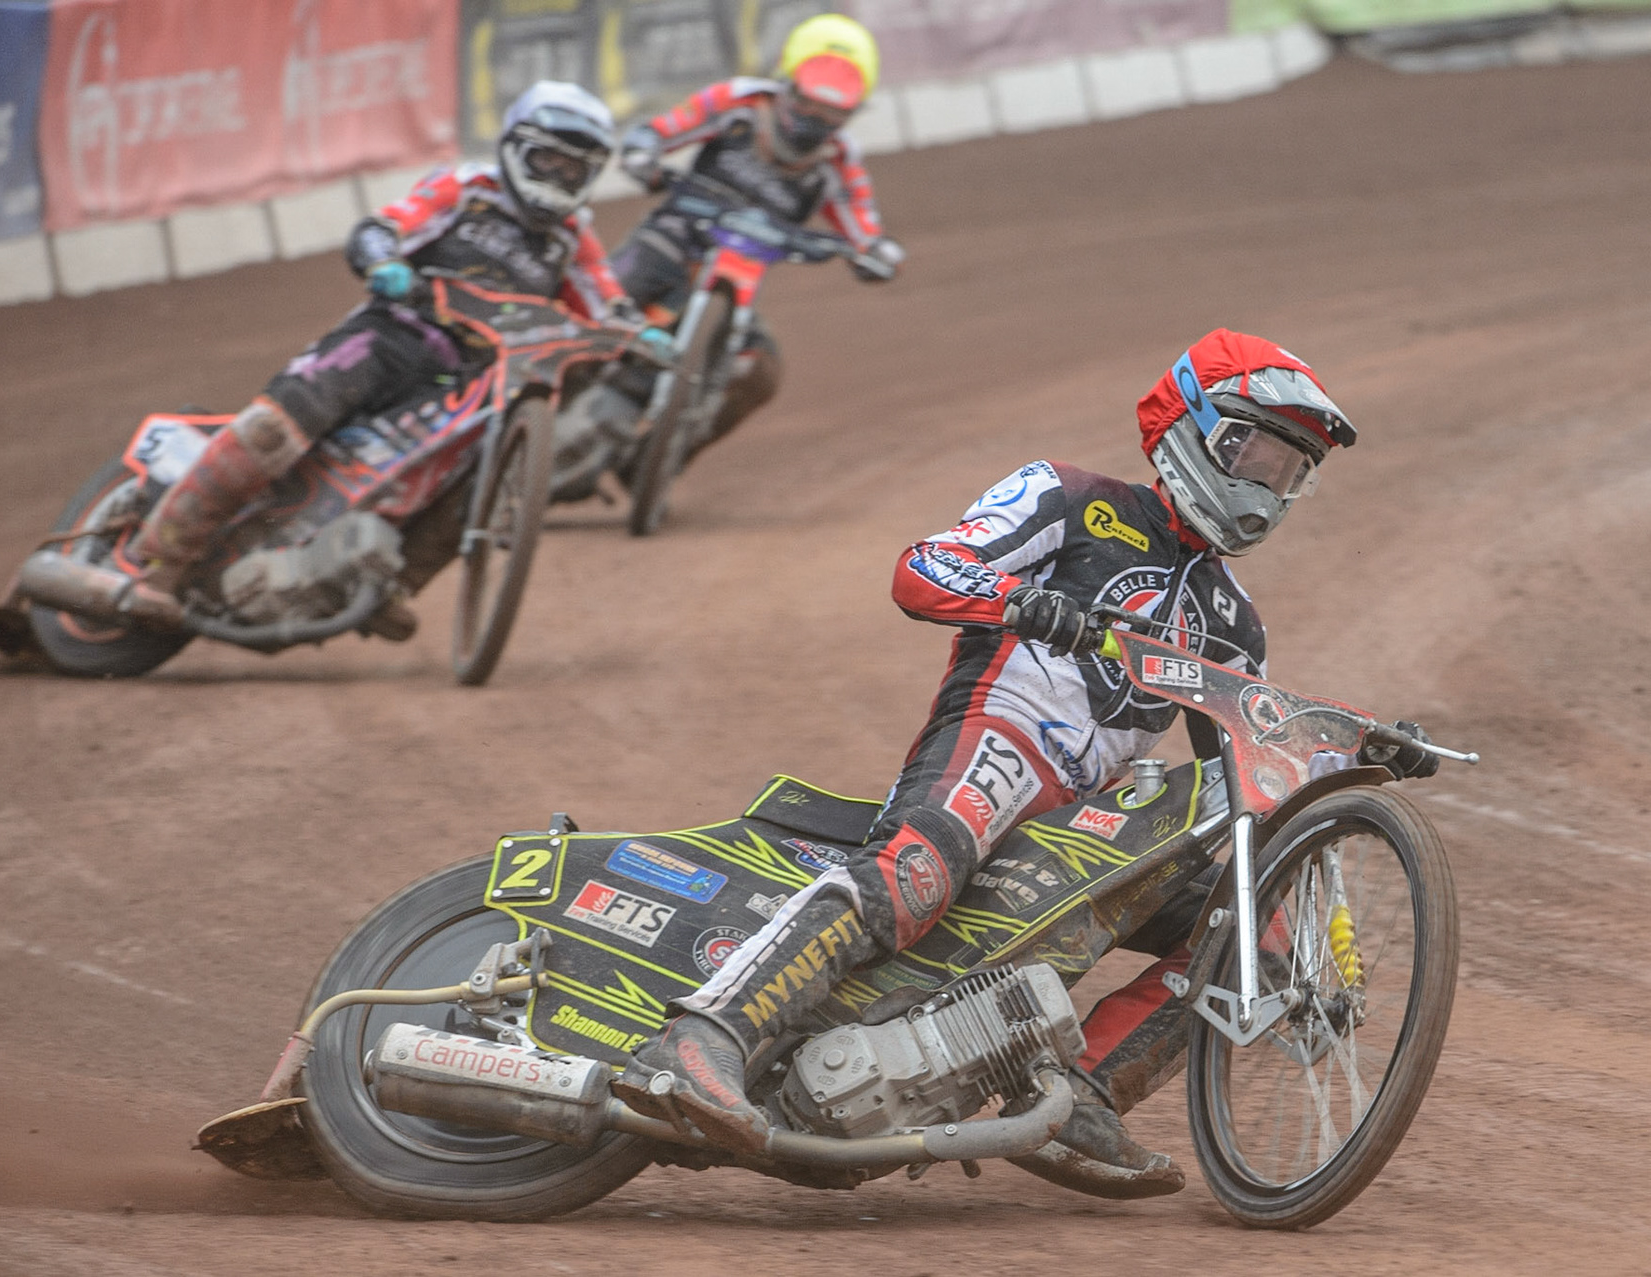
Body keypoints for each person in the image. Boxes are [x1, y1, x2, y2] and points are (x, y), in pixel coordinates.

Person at [615, 330, 1440, 1197]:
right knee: (913, 876)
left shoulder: (1236, 620)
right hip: (1001, 735)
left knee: (1249, 923)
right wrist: (1024, 604)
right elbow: (921, 569)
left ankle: (1086, 1097)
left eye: (1289, 470)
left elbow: (1249, 760)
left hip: (1089, 816)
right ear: (1195, 429)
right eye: (1258, 452)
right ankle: (705, 1036)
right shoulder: (1072, 497)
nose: (1266, 486)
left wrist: (1354, 744)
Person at [118, 82, 636, 607]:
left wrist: (645, 335)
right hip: (393, 336)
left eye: (573, 169)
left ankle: (391, 587)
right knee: (273, 431)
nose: (557, 176)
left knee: (475, 485)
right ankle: (161, 563)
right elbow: (386, 225)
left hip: (469, 381)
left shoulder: (571, 238)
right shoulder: (467, 189)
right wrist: (384, 260)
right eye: (546, 158)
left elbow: (608, 301)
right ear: (514, 146)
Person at [597, 13, 905, 459]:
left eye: (834, 111)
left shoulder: (837, 159)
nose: (817, 120)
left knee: (760, 372)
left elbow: (862, 225)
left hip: (736, 281)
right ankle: (518, 405)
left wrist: (873, 252)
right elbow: (664, 129)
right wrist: (644, 151)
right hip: (672, 238)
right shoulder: (739, 103)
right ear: (787, 82)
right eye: (809, 103)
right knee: (599, 304)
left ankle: (657, 462)